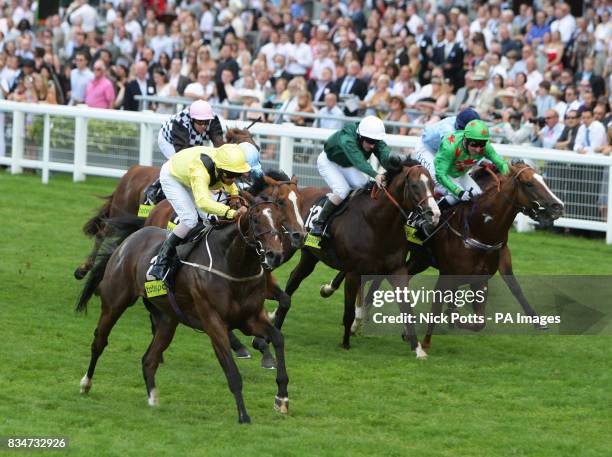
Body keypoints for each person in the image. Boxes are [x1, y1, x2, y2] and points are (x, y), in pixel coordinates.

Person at [146, 143, 253, 281]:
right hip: (173, 177)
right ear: (219, 169)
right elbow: (202, 201)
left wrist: (234, 197)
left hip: (190, 176)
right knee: (190, 219)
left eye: (236, 175)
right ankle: (161, 261)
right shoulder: (200, 170)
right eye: (230, 174)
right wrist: (230, 213)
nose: (233, 179)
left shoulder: (223, 165)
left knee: (211, 218)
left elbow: (230, 183)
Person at [309, 116, 390, 238]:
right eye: (370, 142)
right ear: (360, 136)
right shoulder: (348, 138)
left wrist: (393, 164)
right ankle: (319, 223)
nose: (373, 146)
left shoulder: (370, 137)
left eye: (375, 142)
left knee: (363, 184)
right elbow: (358, 160)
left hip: (347, 164)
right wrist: (375, 174)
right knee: (342, 190)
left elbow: (384, 153)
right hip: (329, 162)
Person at [434, 120, 510, 208]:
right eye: (474, 144)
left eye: (482, 144)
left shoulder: (485, 146)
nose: (478, 149)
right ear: (465, 140)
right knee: (458, 197)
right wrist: (458, 192)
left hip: (460, 173)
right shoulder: (450, 147)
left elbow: (501, 163)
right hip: (441, 173)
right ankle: (432, 216)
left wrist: (510, 177)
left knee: (478, 196)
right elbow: (440, 174)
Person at [413, 108, 481, 187]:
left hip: (442, 152)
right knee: (439, 178)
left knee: (474, 192)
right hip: (426, 149)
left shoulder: (461, 124)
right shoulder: (447, 129)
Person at [158, 99, 224, 159]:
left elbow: (219, 146)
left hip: (191, 139)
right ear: (192, 119)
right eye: (200, 121)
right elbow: (182, 153)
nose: (203, 126)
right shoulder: (181, 122)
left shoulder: (213, 119)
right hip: (169, 141)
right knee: (180, 162)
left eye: (206, 122)